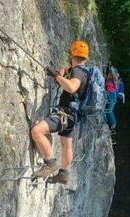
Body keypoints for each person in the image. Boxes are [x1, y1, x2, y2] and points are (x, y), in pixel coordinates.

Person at [31, 40, 89, 184]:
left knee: (37, 131)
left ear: (72, 54)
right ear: (85, 57)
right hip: (73, 116)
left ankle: (50, 163)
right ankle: (64, 174)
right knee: (66, 144)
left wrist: (57, 77)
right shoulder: (82, 72)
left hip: (65, 114)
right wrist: (59, 76)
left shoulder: (78, 71)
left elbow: (71, 87)